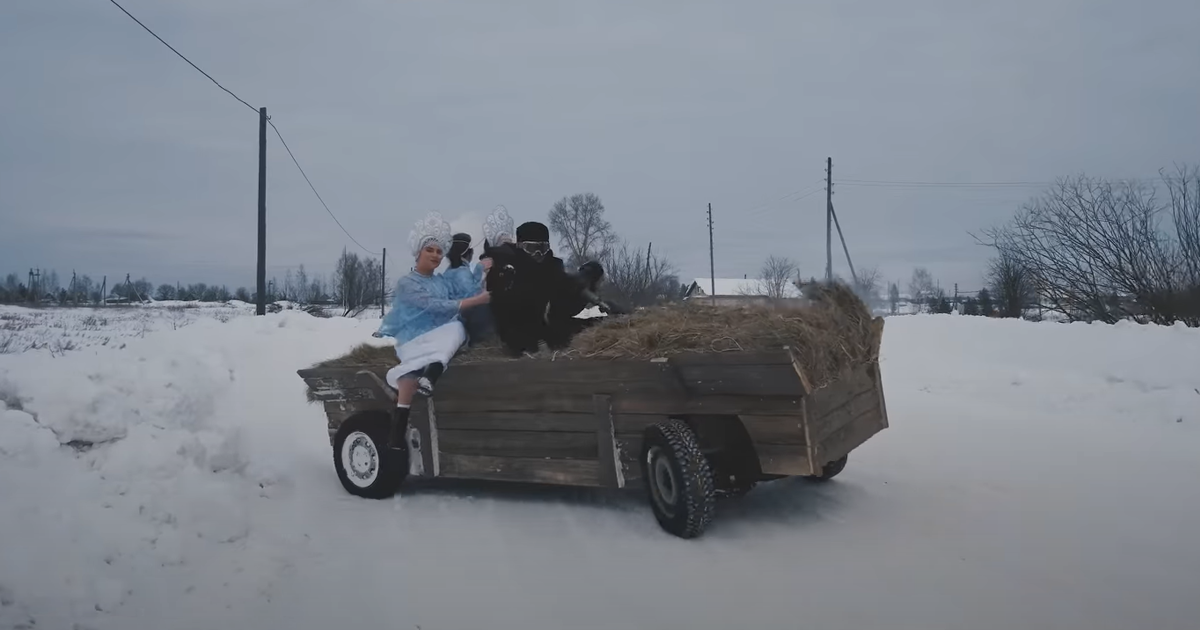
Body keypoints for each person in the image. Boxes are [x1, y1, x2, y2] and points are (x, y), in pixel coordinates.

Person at [376, 212, 490, 448]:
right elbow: (434, 306)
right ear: (418, 252)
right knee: (455, 330)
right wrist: (476, 302)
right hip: (416, 336)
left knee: (457, 328)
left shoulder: (441, 281)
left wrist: (480, 271)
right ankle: (431, 376)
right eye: (430, 250)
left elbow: (463, 294)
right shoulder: (407, 283)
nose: (436, 255)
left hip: (441, 334)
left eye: (439, 251)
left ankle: (400, 428)